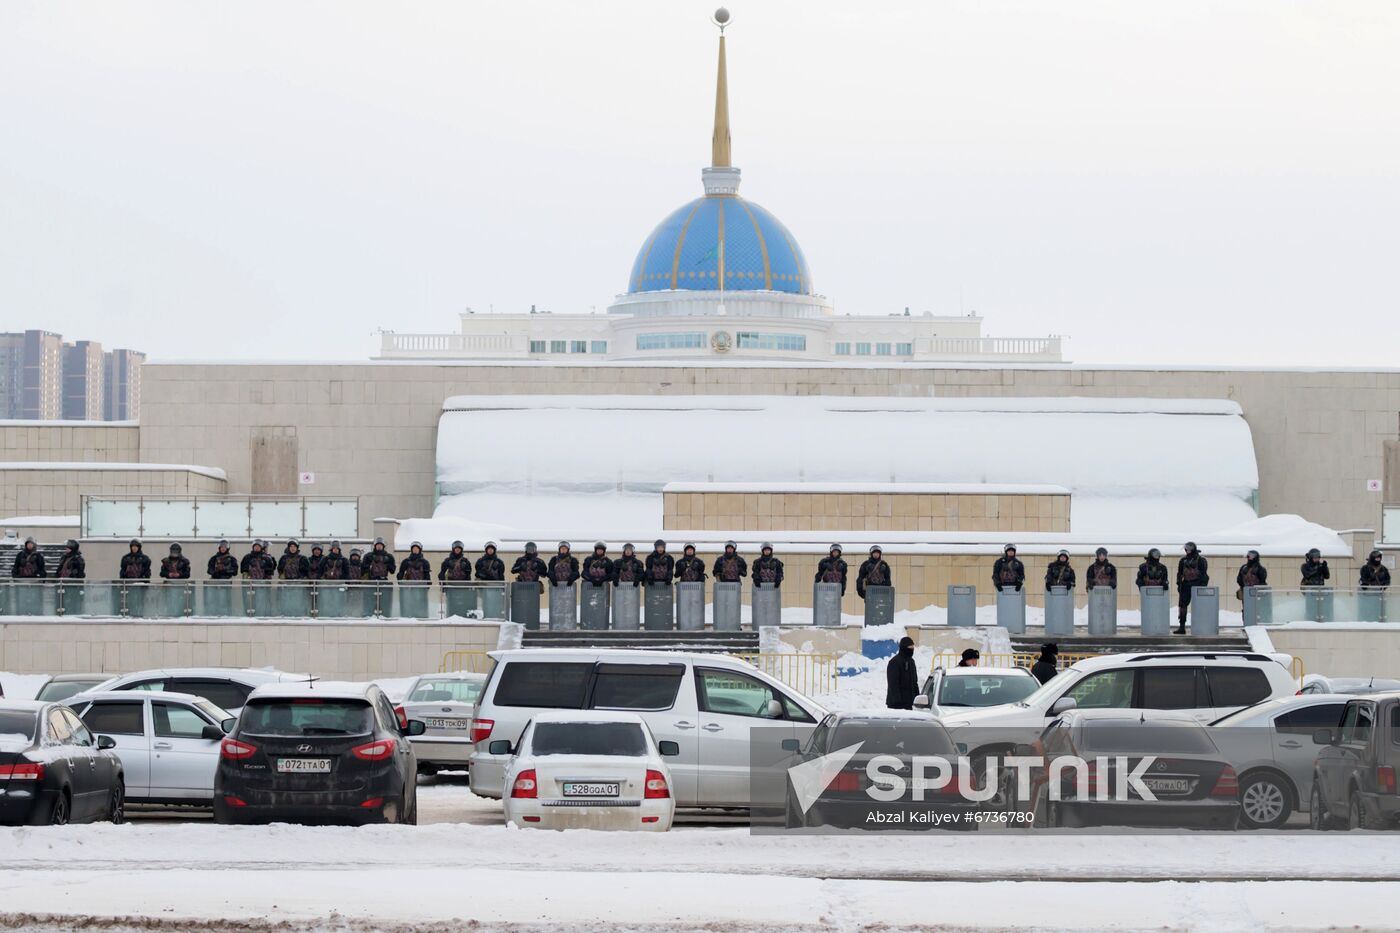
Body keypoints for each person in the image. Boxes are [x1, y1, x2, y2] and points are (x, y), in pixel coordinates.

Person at [1176, 542, 1209, 634]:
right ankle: (1182, 626)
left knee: (1199, 607)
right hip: (1186, 585)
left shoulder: (1201, 560)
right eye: (1186, 549)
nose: (1187, 551)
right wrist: (1179, 584)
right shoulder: (1183, 561)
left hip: (1197, 585)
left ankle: (1200, 626)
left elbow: (1204, 575)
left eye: (1188, 549)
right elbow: (1179, 573)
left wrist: (1202, 586)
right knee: (1182, 606)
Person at [885, 636, 919, 710]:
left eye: (913, 647)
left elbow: (915, 683)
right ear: (904, 648)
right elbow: (893, 684)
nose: (912, 649)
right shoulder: (894, 662)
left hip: (910, 705)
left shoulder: (911, 662)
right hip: (896, 706)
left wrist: (917, 698)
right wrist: (898, 702)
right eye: (910, 647)